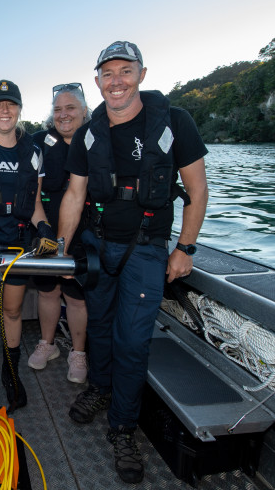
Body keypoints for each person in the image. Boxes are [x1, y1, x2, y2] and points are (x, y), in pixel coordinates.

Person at [58, 41, 208, 484]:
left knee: (133, 340)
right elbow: (74, 193)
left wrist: (186, 248)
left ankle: (123, 428)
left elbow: (197, 191)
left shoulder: (174, 121)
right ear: (98, 80)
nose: (116, 81)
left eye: (125, 71)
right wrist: (61, 247)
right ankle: (100, 388)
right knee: (100, 327)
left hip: (146, 247)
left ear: (141, 74)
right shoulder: (89, 131)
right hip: (98, 243)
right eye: (108, 73)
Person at [0, 80, 57, 413]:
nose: (5, 110)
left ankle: (10, 372)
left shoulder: (33, 152)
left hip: (17, 243)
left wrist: (44, 228)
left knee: (13, 312)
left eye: (11, 104)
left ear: (19, 109)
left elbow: (33, 203)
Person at [28, 83, 90, 383]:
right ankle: (47, 343)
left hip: (83, 230)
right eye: (57, 110)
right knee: (47, 290)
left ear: (84, 111)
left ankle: (78, 353)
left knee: (77, 295)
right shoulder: (38, 142)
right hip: (45, 227)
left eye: (70, 109)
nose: (63, 115)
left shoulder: (95, 139)